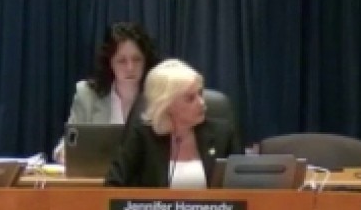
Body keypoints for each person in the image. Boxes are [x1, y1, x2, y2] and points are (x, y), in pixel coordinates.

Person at [105, 58, 240, 188]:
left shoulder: (223, 135)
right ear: (166, 105)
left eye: (200, 93)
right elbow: (113, 184)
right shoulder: (143, 136)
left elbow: (243, 186)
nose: (201, 102)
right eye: (190, 98)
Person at [54, 22, 160, 163]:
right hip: (97, 175)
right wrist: (65, 152)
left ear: (146, 61)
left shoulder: (159, 95)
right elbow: (70, 141)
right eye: (122, 61)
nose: (130, 67)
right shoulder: (87, 95)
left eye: (137, 59)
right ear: (110, 63)